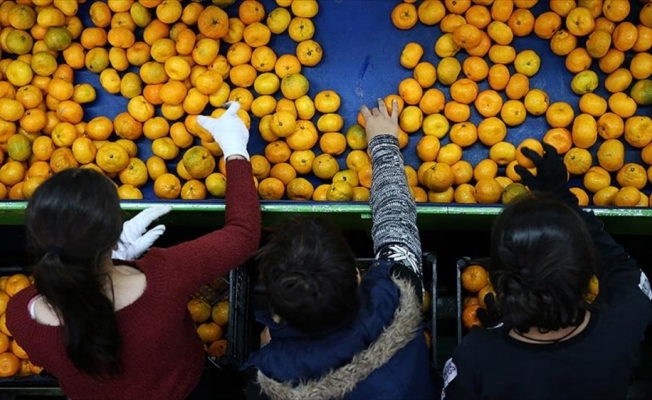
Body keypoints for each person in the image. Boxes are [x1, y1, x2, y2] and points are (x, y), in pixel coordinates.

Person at [6, 102, 261, 400]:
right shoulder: (163, 276)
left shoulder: (21, 314)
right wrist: (234, 148)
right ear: (114, 234)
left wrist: (114, 260)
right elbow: (242, 235)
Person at [241, 99, 436, 399]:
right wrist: (383, 143)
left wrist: (272, 347)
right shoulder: (396, 295)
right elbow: (397, 222)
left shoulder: (268, 377)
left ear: (277, 309)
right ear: (358, 277)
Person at [442, 143, 652, 399]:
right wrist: (561, 197)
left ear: (496, 280)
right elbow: (620, 265)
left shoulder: (474, 359)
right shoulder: (626, 315)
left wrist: (500, 326)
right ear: (587, 274)